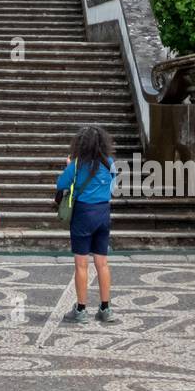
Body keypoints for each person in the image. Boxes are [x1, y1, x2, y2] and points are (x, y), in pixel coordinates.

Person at [55, 125, 116, 325]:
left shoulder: (77, 164)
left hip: (83, 214)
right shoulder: (109, 163)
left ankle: (81, 309)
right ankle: (105, 308)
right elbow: (112, 187)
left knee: (81, 264)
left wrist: (68, 165)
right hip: (103, 213)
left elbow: (61, 184)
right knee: (102, 262)